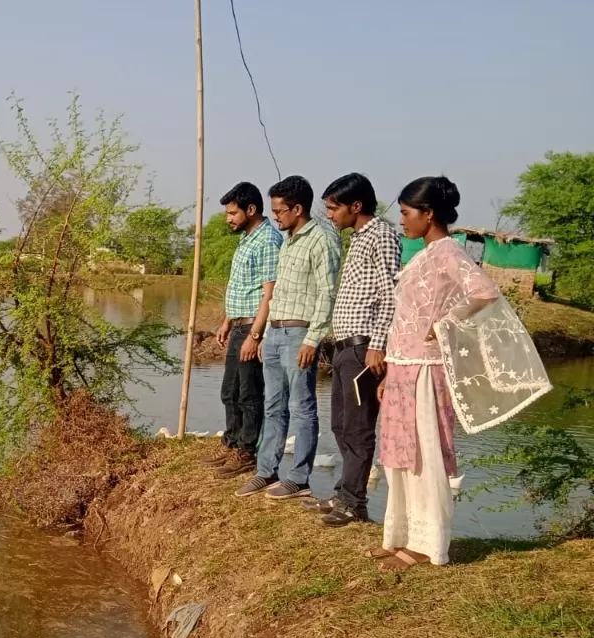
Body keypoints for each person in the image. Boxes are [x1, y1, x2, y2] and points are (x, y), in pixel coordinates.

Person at [371, 176, 551, 570]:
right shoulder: (422, 254)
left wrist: (445, 323)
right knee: (399, 455)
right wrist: (390, 369)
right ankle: (398, 535)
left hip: (427, 370)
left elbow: (484, 290)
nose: (401, 220)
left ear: (428, 213)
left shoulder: (448, 251)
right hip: (404, 366)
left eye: (405, 213)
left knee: (426, 454)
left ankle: (427, 544)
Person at [236, 175, 340, 500]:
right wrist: (265, 333)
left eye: (280, 211)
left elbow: (327, 292)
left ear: (297, 208)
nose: (276, 216)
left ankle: (299, 479)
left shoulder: (321, 239)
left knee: (302, 406)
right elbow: (277, 293)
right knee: (273, 405)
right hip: (276, 332)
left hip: (300, 333)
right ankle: (266, 471)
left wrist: (313, 339)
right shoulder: (288, 240)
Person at [309, 173, 402, 526]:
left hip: (364, 349)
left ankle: (354, 502)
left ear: (356, 206)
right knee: (341, 424)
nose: (330, 215)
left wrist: (378, 346)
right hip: (344, 349)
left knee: (359, 428)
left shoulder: (382, 236)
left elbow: (390, 296)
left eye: (333, 208)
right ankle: (344, 493)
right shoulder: (360, 238)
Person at [206, 182, 283, 478]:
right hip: (238, 323)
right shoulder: (247, 238)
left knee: (249, 392)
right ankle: (232, 442)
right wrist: (227, 320)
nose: (229, 219)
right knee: (230, 390)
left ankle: (246, 451)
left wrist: (256, 335)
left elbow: (269, 293)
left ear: (251, 210)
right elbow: (239, 286)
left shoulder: (267, 240)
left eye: (233, 213)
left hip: (253, 325)